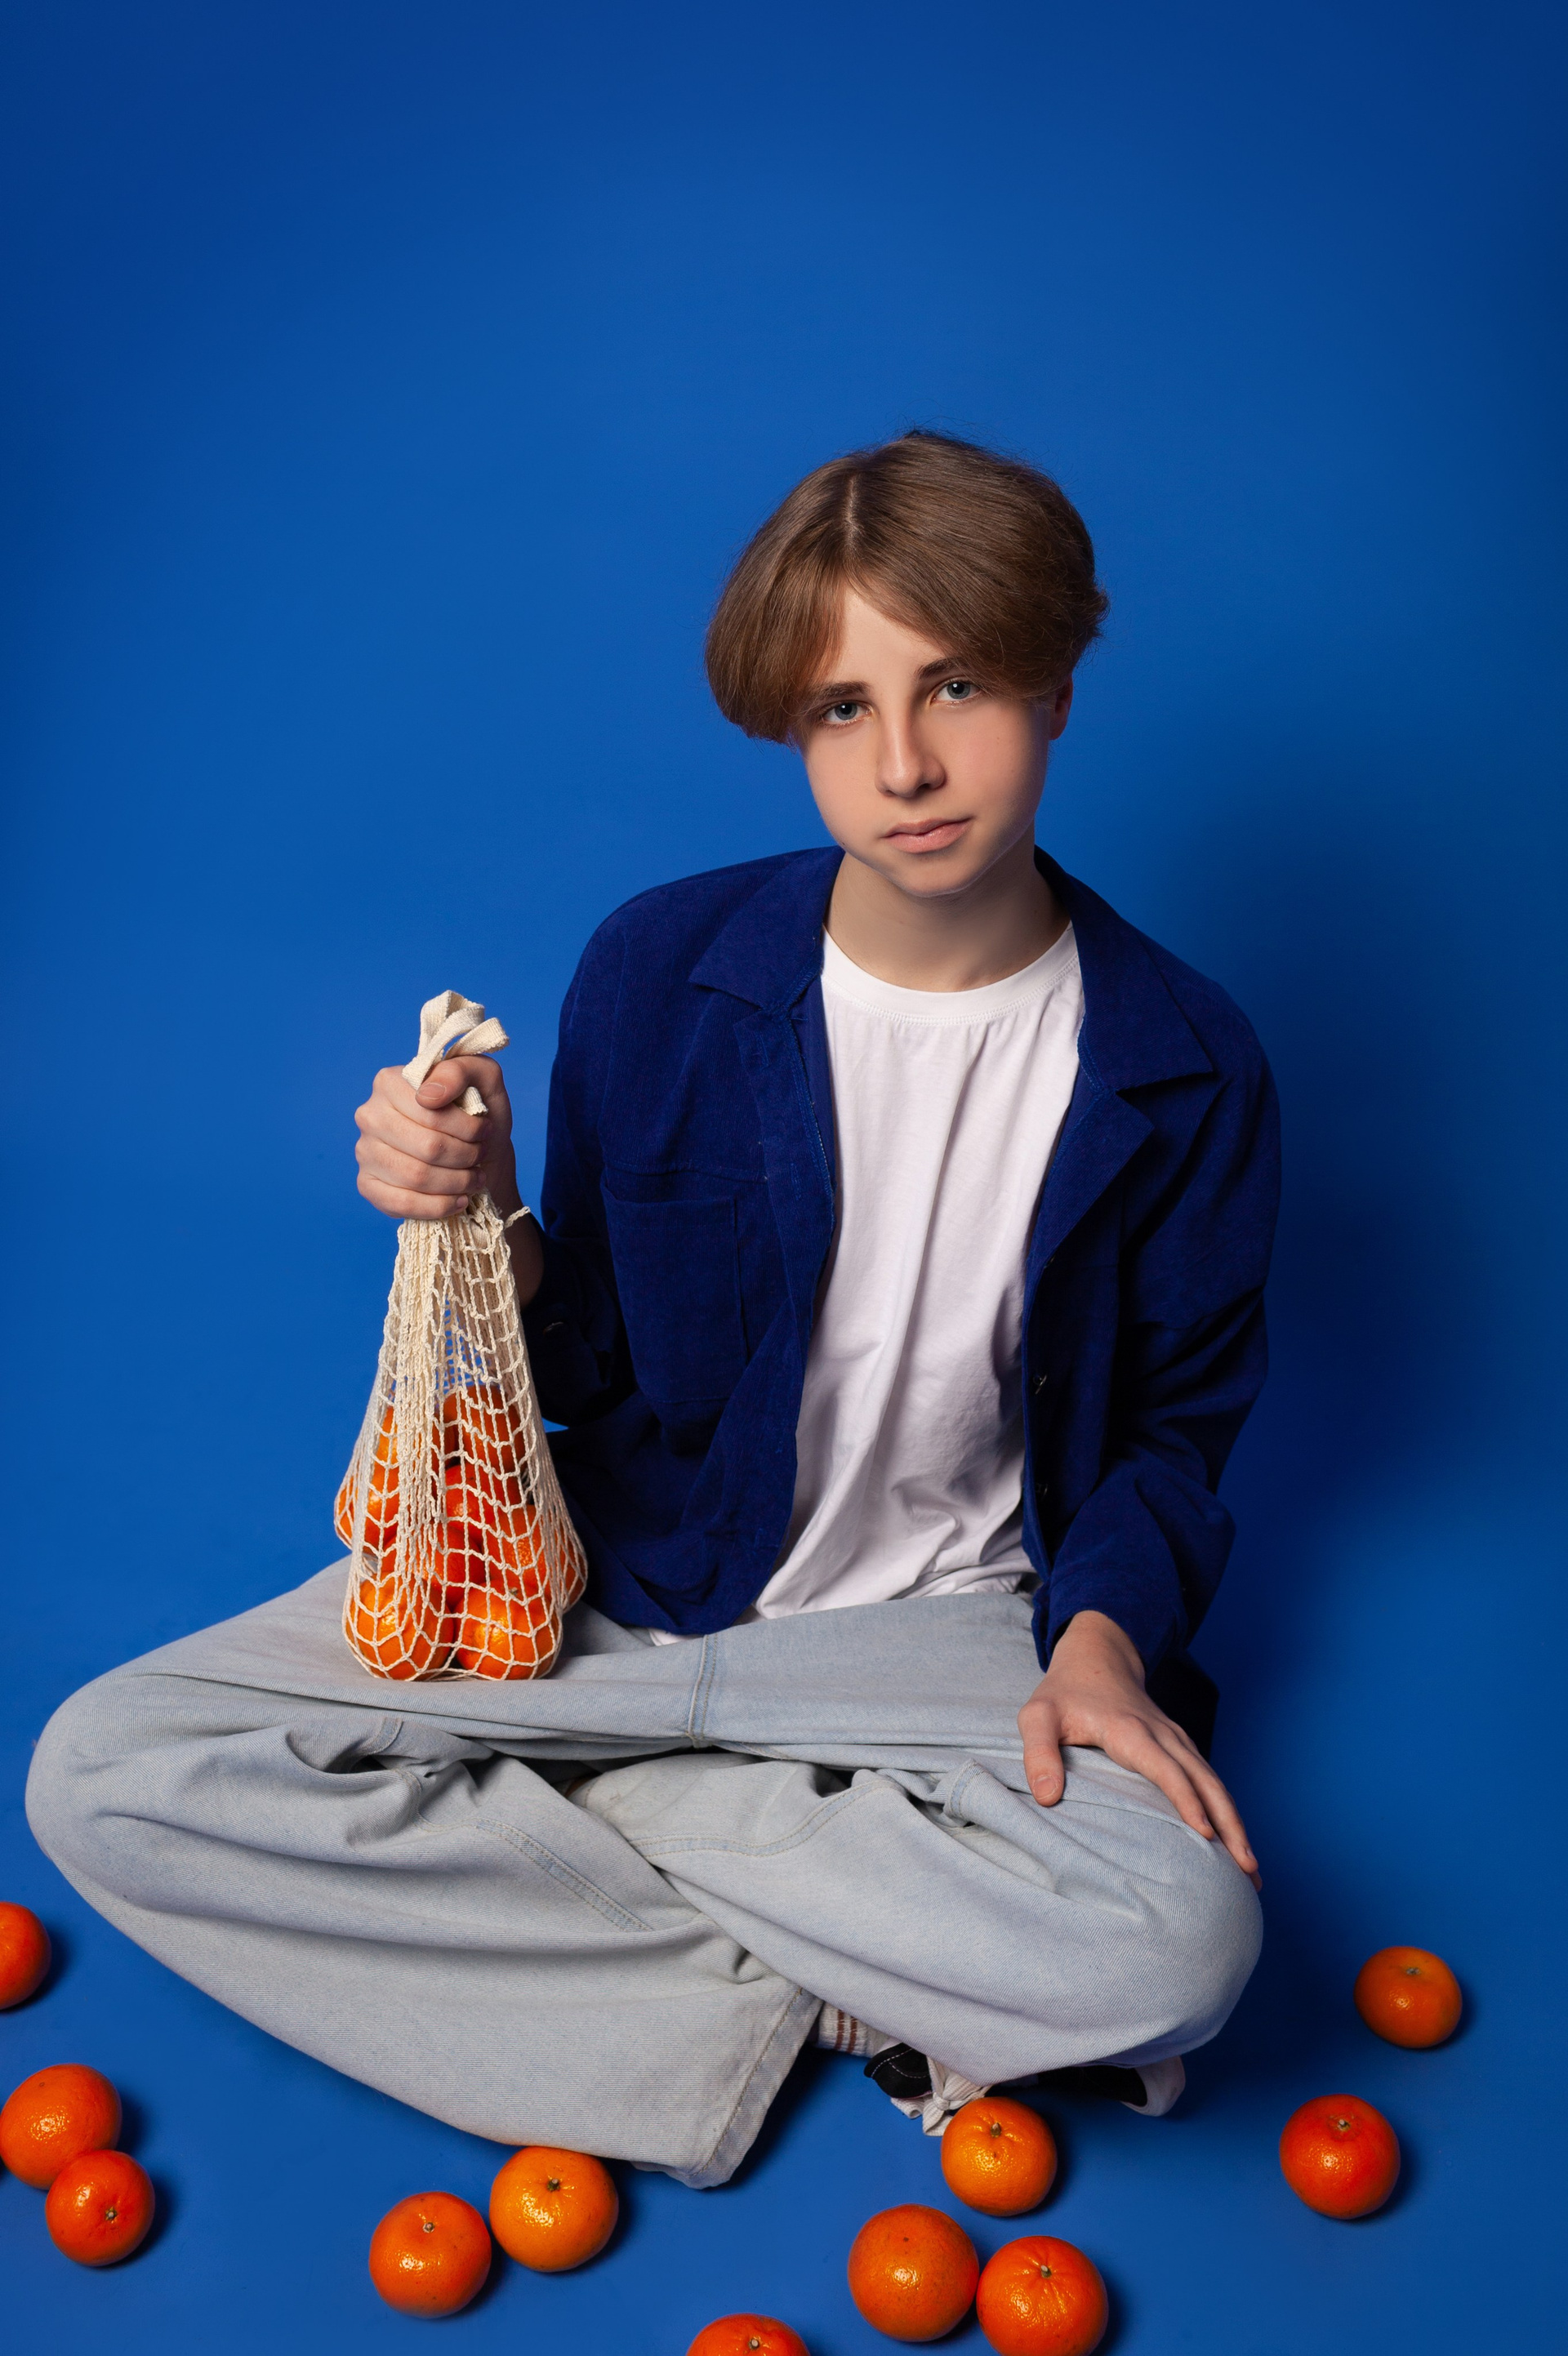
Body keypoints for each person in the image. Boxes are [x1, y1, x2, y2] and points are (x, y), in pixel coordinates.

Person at [27, 431, 1277, 2185]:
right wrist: (486, 1216)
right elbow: (593, 1359)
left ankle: (591, 1831)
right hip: (616, 1604)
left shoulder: (1187, 1060)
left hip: (939, 1650)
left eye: (957, 686)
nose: (906, 764)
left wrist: (1101, 1647)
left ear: (1057, 682)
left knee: (1183, 1947)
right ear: (793, 728)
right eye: (842, 708)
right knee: (107, 1765)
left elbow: (1169, 1433)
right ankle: (821, 1989)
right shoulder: (661, 973)